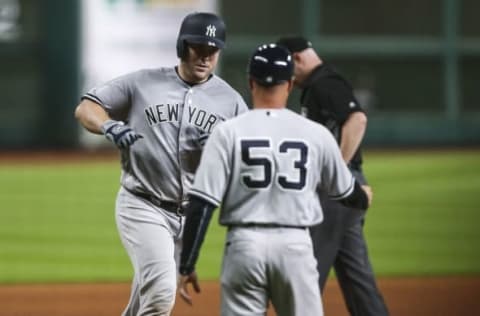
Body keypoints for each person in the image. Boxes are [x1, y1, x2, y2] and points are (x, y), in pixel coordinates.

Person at [177, 43, 373, 316]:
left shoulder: (227, 132)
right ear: (290, 84)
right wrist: (363, 195)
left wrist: (187, 263)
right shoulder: (315, 134)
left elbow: (202, 201)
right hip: (296, 247)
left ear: (250, 82)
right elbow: (345, 191)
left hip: (244, 246)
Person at [74, 12, 248, 316]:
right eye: (199, 48)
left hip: (190, 214)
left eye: (213, 51)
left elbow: (245, 159)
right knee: (161, 292)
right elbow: (87, 107)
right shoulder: (142, 82)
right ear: (182, 47)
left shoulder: (231, 101)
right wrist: (108, 127)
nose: (206, 57)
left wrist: (223, 153)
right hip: (144, 206)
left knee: (145, 300)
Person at [276, 36, 389, 316]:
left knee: (305, 274)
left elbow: (357, 119)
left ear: (297, 58)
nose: (287, 76)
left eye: (288, 66)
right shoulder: (319, 83)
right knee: (357, 279)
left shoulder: (325, 83)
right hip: (342, 191)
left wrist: (338, 174)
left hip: (333, 192)